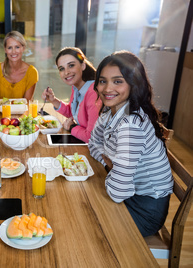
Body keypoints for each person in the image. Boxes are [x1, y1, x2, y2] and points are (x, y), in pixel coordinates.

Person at [88, 51, 173, 237]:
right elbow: (93, 144)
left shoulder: (130, 126)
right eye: (102, 81)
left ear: (133, 84)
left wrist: (115, 170)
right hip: (129, 194)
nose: (107, 88)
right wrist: (109, 165)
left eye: (118, 81)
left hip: (144, 209)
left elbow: (118, 192)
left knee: (87, 226)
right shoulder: (110, 112)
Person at [42, 47, 101, 143]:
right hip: (82, 142)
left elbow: (91, 137)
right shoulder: (77, 87)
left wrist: (72, 127)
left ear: (83, 65)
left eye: (71, 65)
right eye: (62, 69)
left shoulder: (94, 93)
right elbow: (74, 114)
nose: (66, 72)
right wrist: (53, 100)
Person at [0, 31, 38, 109]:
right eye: (10, 47)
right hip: (0, 114)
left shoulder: (32, 72)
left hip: (21, 116)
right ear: (5, 50)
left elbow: (27, 102)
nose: (14, 51)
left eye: (17, 47)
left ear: (23, 48)